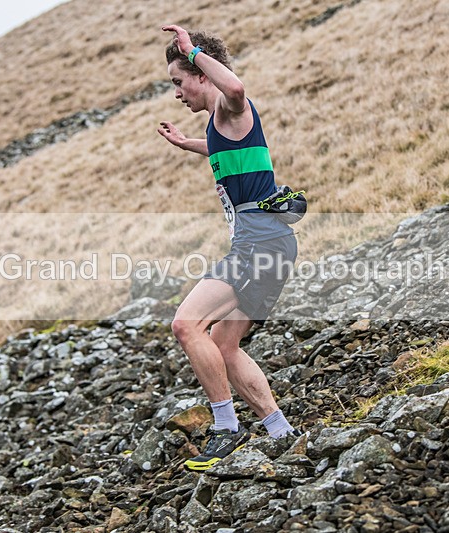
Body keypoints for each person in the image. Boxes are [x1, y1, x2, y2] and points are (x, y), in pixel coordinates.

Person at [157, 24, 300, 471]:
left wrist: (193, 51)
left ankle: (226, 427)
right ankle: (280, 431)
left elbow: (235, 86)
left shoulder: (230, 104)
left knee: (186, 325)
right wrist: (187, 143)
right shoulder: (220, 126)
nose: (177, 93)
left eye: (178, 82)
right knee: (223, 342)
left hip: (259, 243)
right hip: (271, 243)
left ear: (200, 74)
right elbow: (224, 146)